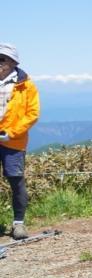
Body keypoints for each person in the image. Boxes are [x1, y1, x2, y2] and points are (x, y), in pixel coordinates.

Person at [0, 43, 40, 240]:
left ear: (13, 62)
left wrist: (12, 132)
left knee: (16, 180)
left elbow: (32, 114)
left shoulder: (26, 85)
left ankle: (19, 224)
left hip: (13, 141)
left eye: (2, 59)